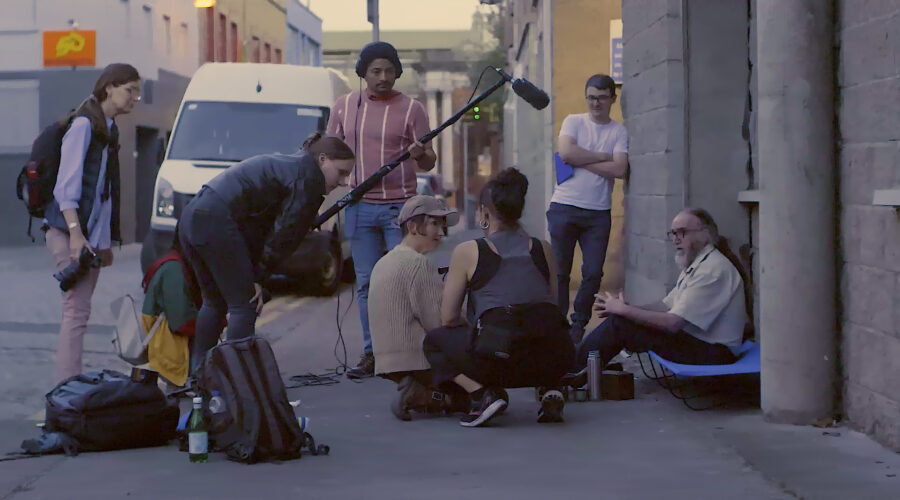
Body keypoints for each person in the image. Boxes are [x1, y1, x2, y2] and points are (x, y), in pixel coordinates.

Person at [179, 133, 355, 373]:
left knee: (214, 302)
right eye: (342, 172)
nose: (344, 182)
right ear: (323, 159)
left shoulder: (292, 165)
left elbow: (258, 226)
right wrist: (258, 279)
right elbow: (283, 237)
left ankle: (199, 376)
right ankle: (237, 380)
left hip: (194, 214)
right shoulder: (307, 179)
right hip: (217, 221)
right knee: (244, 305)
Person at [424, 168, 575, 428]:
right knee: (544, 325)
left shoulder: (468, 251)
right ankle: (552, 388)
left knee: (434, 342)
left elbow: (448, 317)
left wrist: (475, 326)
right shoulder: (543, 249)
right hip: (553, 357)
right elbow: (558, 306)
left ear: (484, 212)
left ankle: (484, 394)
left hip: (497, 362)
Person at [326, 41, 437, 379]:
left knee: (406, 279)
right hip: (360, 207)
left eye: (389, 70)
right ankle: (373, 353)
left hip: (399, 209)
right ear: (363, 73)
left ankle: (412, 352)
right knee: (366, 284)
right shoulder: (345, 106)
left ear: (397, 72)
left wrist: (419, 154)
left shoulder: (413, 109)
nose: (383, 77)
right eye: (375, 71)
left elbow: (430, 162)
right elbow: (327, 153)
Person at [569, 208, 749, 380]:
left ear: (705, 234)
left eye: (682, 232)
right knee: (622, 320)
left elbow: (673, 323)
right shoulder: (699, 263)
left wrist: (624, 311)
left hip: (716, 352)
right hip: (700, 343)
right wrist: (628, 308)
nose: (676, 239)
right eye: (673, 233)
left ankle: (572, 370)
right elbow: (666, 305)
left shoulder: (712, 270)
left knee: (620, 324)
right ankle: (579, 367)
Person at [44, 63, 141, 381]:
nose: (135, 98)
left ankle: (67, 388)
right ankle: (64, 392)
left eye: (137, 92)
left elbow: (103, 194)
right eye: (130, 90)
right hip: (68, 232)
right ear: (109, 87)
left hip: (87, 238)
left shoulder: (107, 128)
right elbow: (65, 188)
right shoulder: (84, 126)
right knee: (76, 312)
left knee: (77, 312)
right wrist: (76, 236)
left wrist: (102, 244)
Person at [547, 74, 629, 344]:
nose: (596, 103)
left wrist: (583, 159)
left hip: (597, 213)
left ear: (612, 99)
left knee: (593, 273)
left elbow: (619, 169)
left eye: (602, 97)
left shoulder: (618, 132)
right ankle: (557, 327)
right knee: (560, 272)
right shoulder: (574, 121)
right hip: (564, 207)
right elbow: (567, 154)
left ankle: (577, 326)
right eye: (591, 97)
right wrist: (604, 156)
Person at [368, 195, 461, 421]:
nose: (441, 232)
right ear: (412, 226)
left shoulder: (383, 262)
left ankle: (417, 391)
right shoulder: (418, 264)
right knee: (467, 398)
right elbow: (439, 324)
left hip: (387, 361)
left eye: (442, 225)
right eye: (434, 223)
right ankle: (419, 394)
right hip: (417, 360)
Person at [140, 228, 202, 388]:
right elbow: (180, 322)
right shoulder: (175, 270)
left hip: (168, 347)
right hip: (172, 351)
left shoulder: (174, 261)